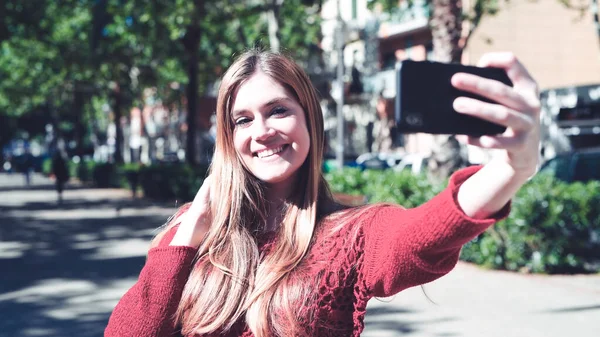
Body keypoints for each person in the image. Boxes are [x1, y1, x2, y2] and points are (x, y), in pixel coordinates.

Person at [105, 50, 541, 337]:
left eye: (278, 110)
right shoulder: (191, 234)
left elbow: (424, 232)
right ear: (228, 135)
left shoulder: (351, 232)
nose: (263, 132)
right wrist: (187, 241)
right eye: (243, 119)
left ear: (309, 119)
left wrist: (509, 169)